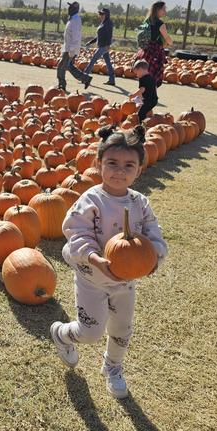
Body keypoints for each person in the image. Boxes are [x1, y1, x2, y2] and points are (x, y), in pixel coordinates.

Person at [49, 125, 167, 399]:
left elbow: (154, 235)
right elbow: (76, 233)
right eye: (112, 163)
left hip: (126, 281)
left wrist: (153, 261)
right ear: (99, 164)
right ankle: (62, 334)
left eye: (129, 165)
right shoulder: (90, 200)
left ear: (139, 170)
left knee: (122, 329)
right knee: (90, 332)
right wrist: (95, 258)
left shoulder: (140, 203)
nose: (119, 171)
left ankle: (113, 366)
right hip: (92, 277)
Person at [56, 1, 92, 91]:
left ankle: (62, 85)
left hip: (70, 49)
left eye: (71, 7)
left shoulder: (75, 20)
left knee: (61, 66)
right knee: (68, 66)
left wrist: (71, 51)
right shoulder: (72, 18)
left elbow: (76, 37)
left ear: (75, 10)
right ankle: (85, 78)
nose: (69, 9)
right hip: (68, 47)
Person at [138, 1, 172, 87]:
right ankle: (150, 96)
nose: (165, 11)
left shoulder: (147, 21)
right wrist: (170, 42)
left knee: (145, 74)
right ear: (158, 10)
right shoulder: (160, 23)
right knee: (154, 76)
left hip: (145, 51)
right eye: (163, 9)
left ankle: (142, 94)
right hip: (155, 53)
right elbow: (167, 38)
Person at [84, 7, 116, 85]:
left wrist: (108, 45)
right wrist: (90, 42)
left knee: (93, 60)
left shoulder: (108, 23)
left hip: (104, 46)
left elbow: (109, 35)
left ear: (107, 15)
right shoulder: (103, 23)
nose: (100, 15)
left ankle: (84, 76)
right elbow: (98, 37)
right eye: (100, 14)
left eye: (102, 14)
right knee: (108, 62)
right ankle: (112, 80)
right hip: (102, 46)